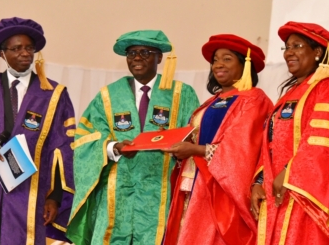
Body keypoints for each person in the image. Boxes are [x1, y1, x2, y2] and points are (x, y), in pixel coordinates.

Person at [66, 30, 200, 244]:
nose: (137, 58)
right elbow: (86, 138)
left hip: (161, 190)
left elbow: (195, 136)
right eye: (132, 53)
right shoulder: (108, 95)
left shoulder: (181, 94)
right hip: (116, 190)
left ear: (160, 57)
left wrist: (182, 149)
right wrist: (112, 147)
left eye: (145, 52)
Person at [163, 34, 273, 245]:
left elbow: (242, 150)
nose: (218, 65)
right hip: (193, 184)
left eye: (227, 59)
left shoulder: (253, 100)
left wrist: (195, 150)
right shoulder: (210, 102)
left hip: (220, 189)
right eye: (215, 60)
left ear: (245, 64)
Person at [0, 17, 75, 244]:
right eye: (16, 48)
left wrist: (55, 197)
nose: (25, 54)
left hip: (31, 192)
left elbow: (64, 149)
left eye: (29, 48)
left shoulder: (53, 94)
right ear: (3, 54)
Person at [250, 21, 329, 244]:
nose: (289, 53)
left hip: (305, 192)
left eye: (297, 46)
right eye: (287, 47)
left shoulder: (325, 88)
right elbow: (271, 143)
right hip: (277, 191)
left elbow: (319, 142)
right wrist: (259, 180)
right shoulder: (289, 94)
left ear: (318, 52)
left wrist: (290, 171)